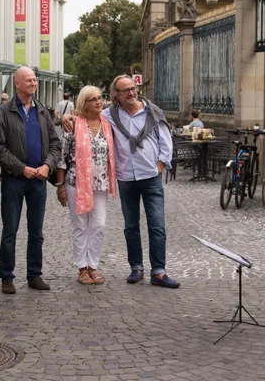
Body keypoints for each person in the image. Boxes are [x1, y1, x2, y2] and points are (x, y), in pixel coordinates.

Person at [62, 75, 179, 288]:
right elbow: (84, 116)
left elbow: (166, 141)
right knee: (131, 226)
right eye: (126, 90)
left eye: (133, 88)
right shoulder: (109, 115)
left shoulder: (152, 112)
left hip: (150, 176)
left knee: (157, 225)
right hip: (126, 177)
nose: (132, 93)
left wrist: (160, 166)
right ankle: (136, 268)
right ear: (117, 95)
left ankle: (159, 271)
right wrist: (64, 117)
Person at [0, 67, 61, 294]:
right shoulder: (3, 111)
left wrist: (47, 166)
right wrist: (21, 168)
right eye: (28, 81)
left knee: (37, 231)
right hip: (14, 179)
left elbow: (55, 144)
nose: (33, 84)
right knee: (10, 230)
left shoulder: (42, 111)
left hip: (39, 180)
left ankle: (34, 274)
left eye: (34, 80)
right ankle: (7, 277)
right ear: (17, 84)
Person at [55, 85, 116, 285]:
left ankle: (93, 265)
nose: (98, 102)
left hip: (100, 183)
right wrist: (60, 185)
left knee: (98, 224)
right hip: (76, 182)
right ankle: (82, 267)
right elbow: (62, 158)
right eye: (93, 99)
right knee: (80, 225)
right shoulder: (73, 125)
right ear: (84, 103)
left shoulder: (106, 124)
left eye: (100, 98)